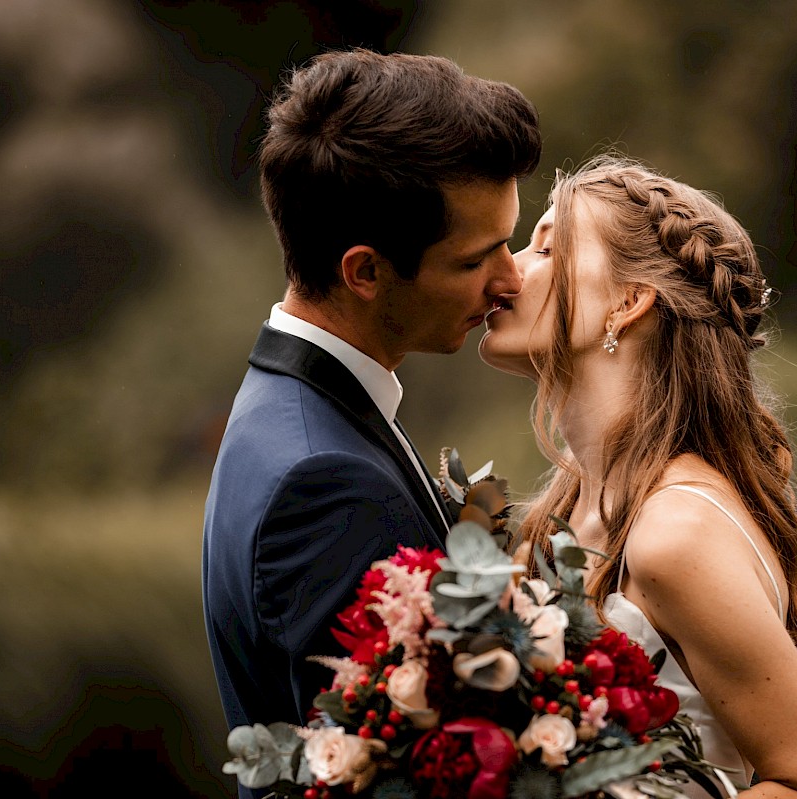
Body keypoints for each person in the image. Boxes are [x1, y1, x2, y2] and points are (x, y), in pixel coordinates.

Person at [202, 48, 541, 795]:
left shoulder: (290, 412)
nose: (511, 279)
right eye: (475, 259)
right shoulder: (326, 483)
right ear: (365, 271)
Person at [479, 154, 797, 798]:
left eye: (547, 248)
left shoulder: (675, 532)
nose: (508, 269)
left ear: (628, 303)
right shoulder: (566, 514)